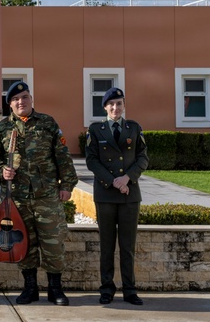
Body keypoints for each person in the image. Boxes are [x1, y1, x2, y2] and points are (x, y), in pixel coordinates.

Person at [0, 80, 78, 306]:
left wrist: (66, 184)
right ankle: (30, 288)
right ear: (10, 104)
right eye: (16, 99)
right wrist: (1, 171)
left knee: (53, 243)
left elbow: (63, 156)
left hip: (46, 195)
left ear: (31, 99)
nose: (21, 102)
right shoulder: (1, 129)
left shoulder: (47, 123)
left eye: (24, 97)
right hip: (16, 198)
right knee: (22, 243)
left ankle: (55, 289)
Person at [85, 87, 149, 306]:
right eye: (111, 104)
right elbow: (92, 160)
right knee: (107, 245)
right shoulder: (95, 129)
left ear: (124, 105)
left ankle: (130, 290)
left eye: (119, 103)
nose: (115, 108)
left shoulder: (133, 128)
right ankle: (106, 288)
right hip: (105, 194)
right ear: (104, 107)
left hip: (129, 195)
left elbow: (142, 158)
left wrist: (127, 178)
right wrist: (113, 181)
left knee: (128, 246)